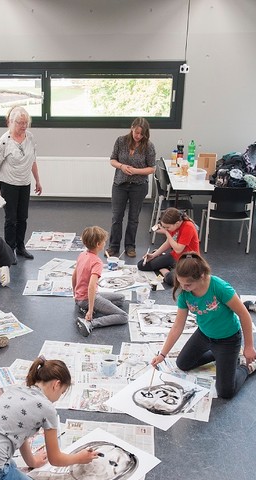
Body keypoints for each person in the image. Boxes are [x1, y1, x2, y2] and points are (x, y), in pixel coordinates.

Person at [150, 253, 256, 399]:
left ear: (202, 276)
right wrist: (162, 354)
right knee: (182, 363)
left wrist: (249, 346)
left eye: (188, 284)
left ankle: (246, 367)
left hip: (228, 339)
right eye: (180, 282)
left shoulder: (219, 287)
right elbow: (177, 326)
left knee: (225, 392)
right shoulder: (185, 294)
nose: (183, 287)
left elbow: (244, 315)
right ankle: (222, 356)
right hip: (204, 334)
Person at [0, 106, 42, 259]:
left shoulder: (30, 138)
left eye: (26, 123)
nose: (24, 126)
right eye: (20, 123)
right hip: (8, 184)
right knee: (11, 219)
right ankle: (9, 250)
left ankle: (20, 247)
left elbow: (33, 160)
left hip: (25, 183)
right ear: (12, 122)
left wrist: (38, 180)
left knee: (22, 217)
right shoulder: (4, 142)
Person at [108, 117, 156, 257]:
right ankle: (113, 247)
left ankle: (130, 246)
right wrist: (122, 166)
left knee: (133, 218)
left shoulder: (148, 146)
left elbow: (152, 168)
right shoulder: (120, 141)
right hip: (120, 184)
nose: (138, 136)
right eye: (136, 132)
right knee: (117, 216)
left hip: (139, 185)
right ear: (132, 128)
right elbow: (112, 160)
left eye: (142, 134)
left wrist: (135, 171)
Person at [72, 226, 128, 337]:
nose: (105, 243)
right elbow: (91, 287)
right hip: (88, 298)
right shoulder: (97, 262)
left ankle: (86, 307)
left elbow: (74, 276)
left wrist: (75, 294)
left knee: (121, 298)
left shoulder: (82, 255)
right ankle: (90, 323)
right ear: (98, 244)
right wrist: (90, 309)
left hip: (80, 297)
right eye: (104, 242)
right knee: (123, 316)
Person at [137, 208, 200, 286]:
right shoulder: (172, 226)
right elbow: (168, 243)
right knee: (142, 265)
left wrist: (166, 233)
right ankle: (170, 267)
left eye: (167, 227)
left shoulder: (188, 227)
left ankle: (165, 270)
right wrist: (154, 255)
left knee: (171, 279)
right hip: (175, 256)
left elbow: (178, 249)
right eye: (164, 227)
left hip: (188, 260)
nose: (166, 229)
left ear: (177, 223)